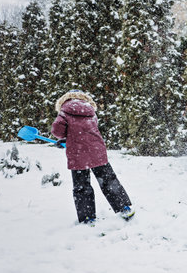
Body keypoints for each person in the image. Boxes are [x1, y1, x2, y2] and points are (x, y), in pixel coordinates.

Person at [51, 89, 134, 224]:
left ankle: (87, 217)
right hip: (97, 151)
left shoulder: (64, 112)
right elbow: (86, 131)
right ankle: (124, 207)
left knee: (82, 186)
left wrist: (64, 138)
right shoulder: (90, 111)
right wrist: (70, 139)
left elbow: (58, 131)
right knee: (109, 180)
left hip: (78, 154)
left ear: (64, 100)